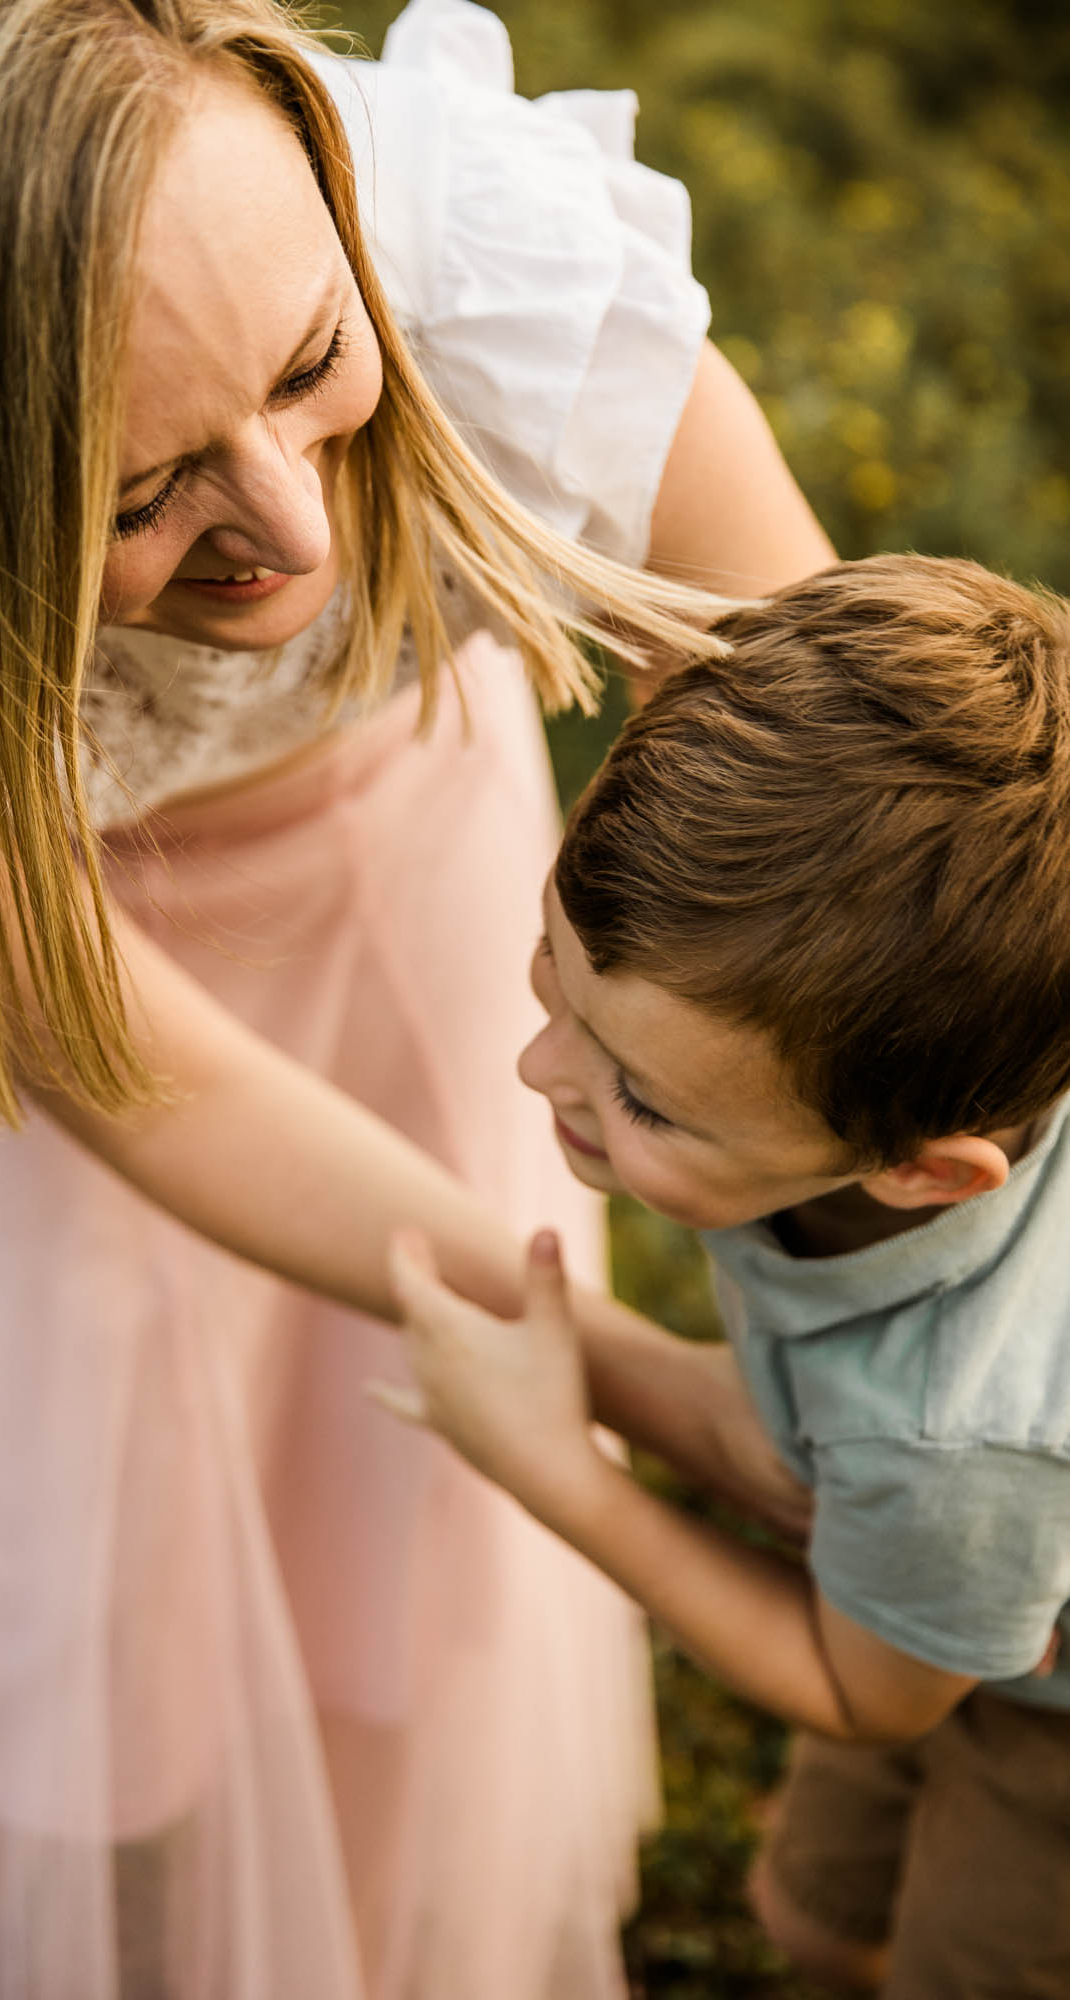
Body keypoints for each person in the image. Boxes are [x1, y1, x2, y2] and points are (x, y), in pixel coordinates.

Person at [0, 0, 831, 1994]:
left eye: (315, 370)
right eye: (135, 498)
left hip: (405, 892)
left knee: (385, 1553)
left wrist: (816, 1264)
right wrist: (623, 1368)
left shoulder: (453, 230)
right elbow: (128, 1069)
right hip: (29, 1049)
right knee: (46, 1624)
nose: (300, 531)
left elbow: (796, 725)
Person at [383, 552, 1070, 2000]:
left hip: (1041, 1721)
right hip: (932, 1575)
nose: (537, 1071)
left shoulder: (955, 1437)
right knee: (814, 1917)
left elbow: (862, 1688)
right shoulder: (846, 1068)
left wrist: (558, 1467)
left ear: (921, 1172)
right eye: (551, 973)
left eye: (639, 1098)